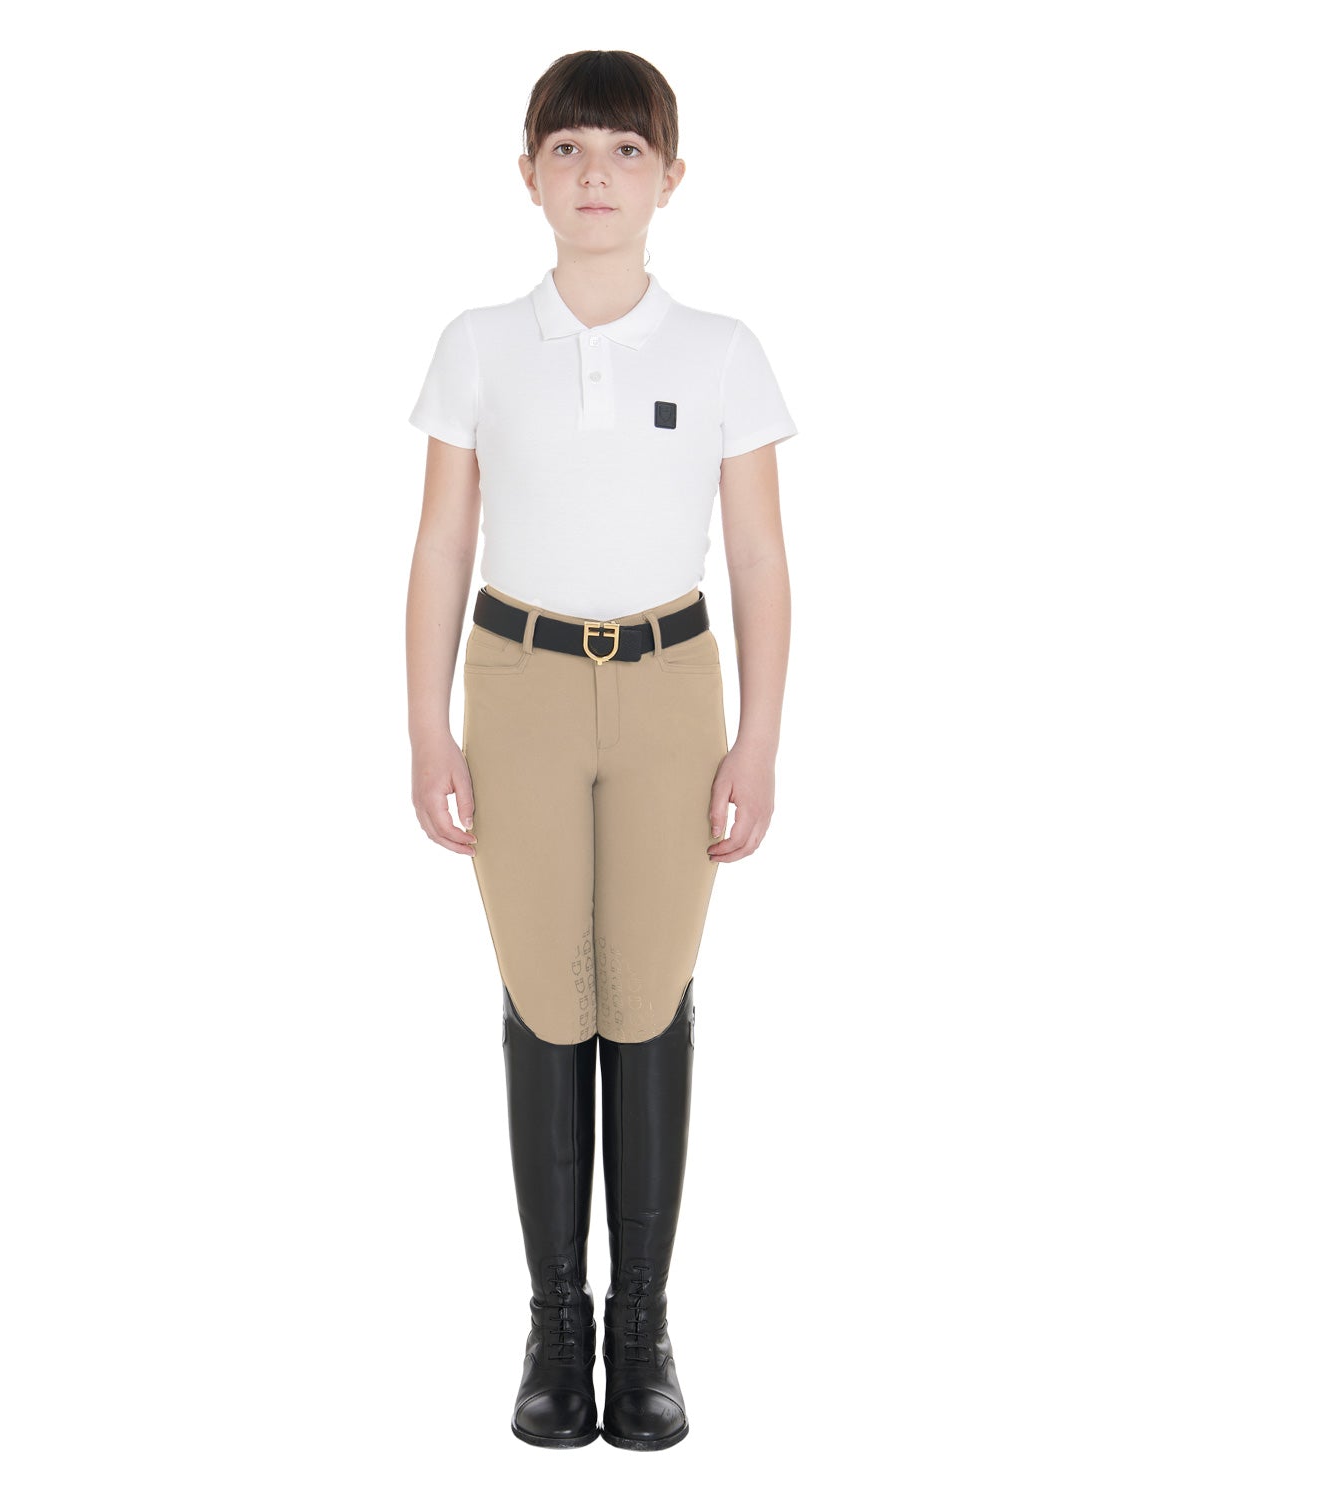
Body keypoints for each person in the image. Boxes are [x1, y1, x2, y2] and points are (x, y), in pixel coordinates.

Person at [405, 49, 796, 1451]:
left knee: (645, 994)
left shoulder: (721, 351)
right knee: (545, 996)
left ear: (670, 178)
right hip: (517, 680)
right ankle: (553, 1328)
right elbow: (441, 544)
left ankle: (642, 1331)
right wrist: (426, 727)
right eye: (568, 148)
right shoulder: (477, 344)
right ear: (528, 175)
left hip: (670, 684)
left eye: (627, 151)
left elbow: (758, 557)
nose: (596, 175)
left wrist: (757, 739)